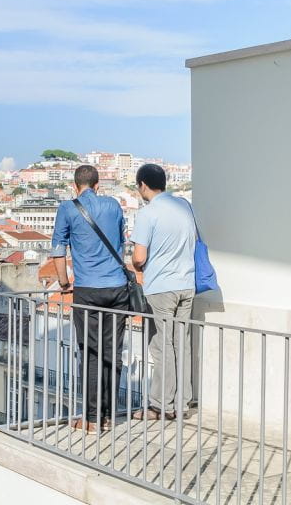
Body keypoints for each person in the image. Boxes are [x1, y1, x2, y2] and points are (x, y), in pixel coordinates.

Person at [52, 165, 128, 433]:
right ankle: (108, 415)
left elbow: (58, 251)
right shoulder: (113, 205)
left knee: (91, 354)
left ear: (76, 187)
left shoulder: (67, 209)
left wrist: (63, 284)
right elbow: (121, 240)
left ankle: (93, 418)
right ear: (97, 186)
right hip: (118, 288)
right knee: (112, 353)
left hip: (87, 290)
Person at [130, 163, 197, 421]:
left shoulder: (149, 213)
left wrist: (139, 264)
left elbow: (138, 257)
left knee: (161, 346)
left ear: (143, 185)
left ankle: (160, 405)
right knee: (182, 343)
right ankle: (182, 402)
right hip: (187, 284)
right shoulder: (185, 208)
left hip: (161, 287)